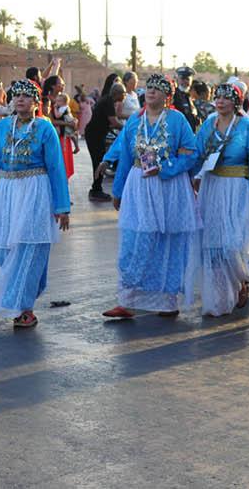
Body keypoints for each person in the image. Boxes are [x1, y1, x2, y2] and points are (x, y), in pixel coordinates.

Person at [101, 74, 201, 321]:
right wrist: (118, 189)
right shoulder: (136, 121)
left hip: (168, 187)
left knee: (166, 242)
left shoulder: (177, 120)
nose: (152, 92)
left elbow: (191, 153)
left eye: (158, 89)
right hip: (139, 183)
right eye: (150, 88)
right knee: (134, 241)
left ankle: (167, 301)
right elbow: (125, 154)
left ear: (167, 96)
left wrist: (165, 169)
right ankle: (127, 300)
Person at [0, 79, 70, 328]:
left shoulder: (45, 129)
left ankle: (24, 307)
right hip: (9, 191)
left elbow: (56, 168)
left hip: (36, 190)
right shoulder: (2, 128)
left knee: (30, 246)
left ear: (36, 102)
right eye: (16, 95)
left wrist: (61, 207)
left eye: (26, 96)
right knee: (3, 246)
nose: (20, 99)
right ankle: (17, 297)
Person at [192, 83, 249, 316]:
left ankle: (241, 279)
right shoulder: (209, 123)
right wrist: (194, 176)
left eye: (226, 98)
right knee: (213, 244)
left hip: (238, 188)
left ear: (235, 102)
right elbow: (197, 153)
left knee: (232, 243)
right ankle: (220, 297)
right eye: (218, 97)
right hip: (212, 187)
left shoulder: (247, 125)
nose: (220, 101)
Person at [83, 80, 125, 204]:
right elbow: (113, 122)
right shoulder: (108, 102)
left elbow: (107, 122)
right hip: (94, 135)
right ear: (118, 93)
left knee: (99, 160)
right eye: (124, 94)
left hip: (96, 134)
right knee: (98, 162)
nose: (125, 97)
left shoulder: (107, 100)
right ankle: (96, 190)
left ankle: (97, 188)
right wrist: (128, 129)